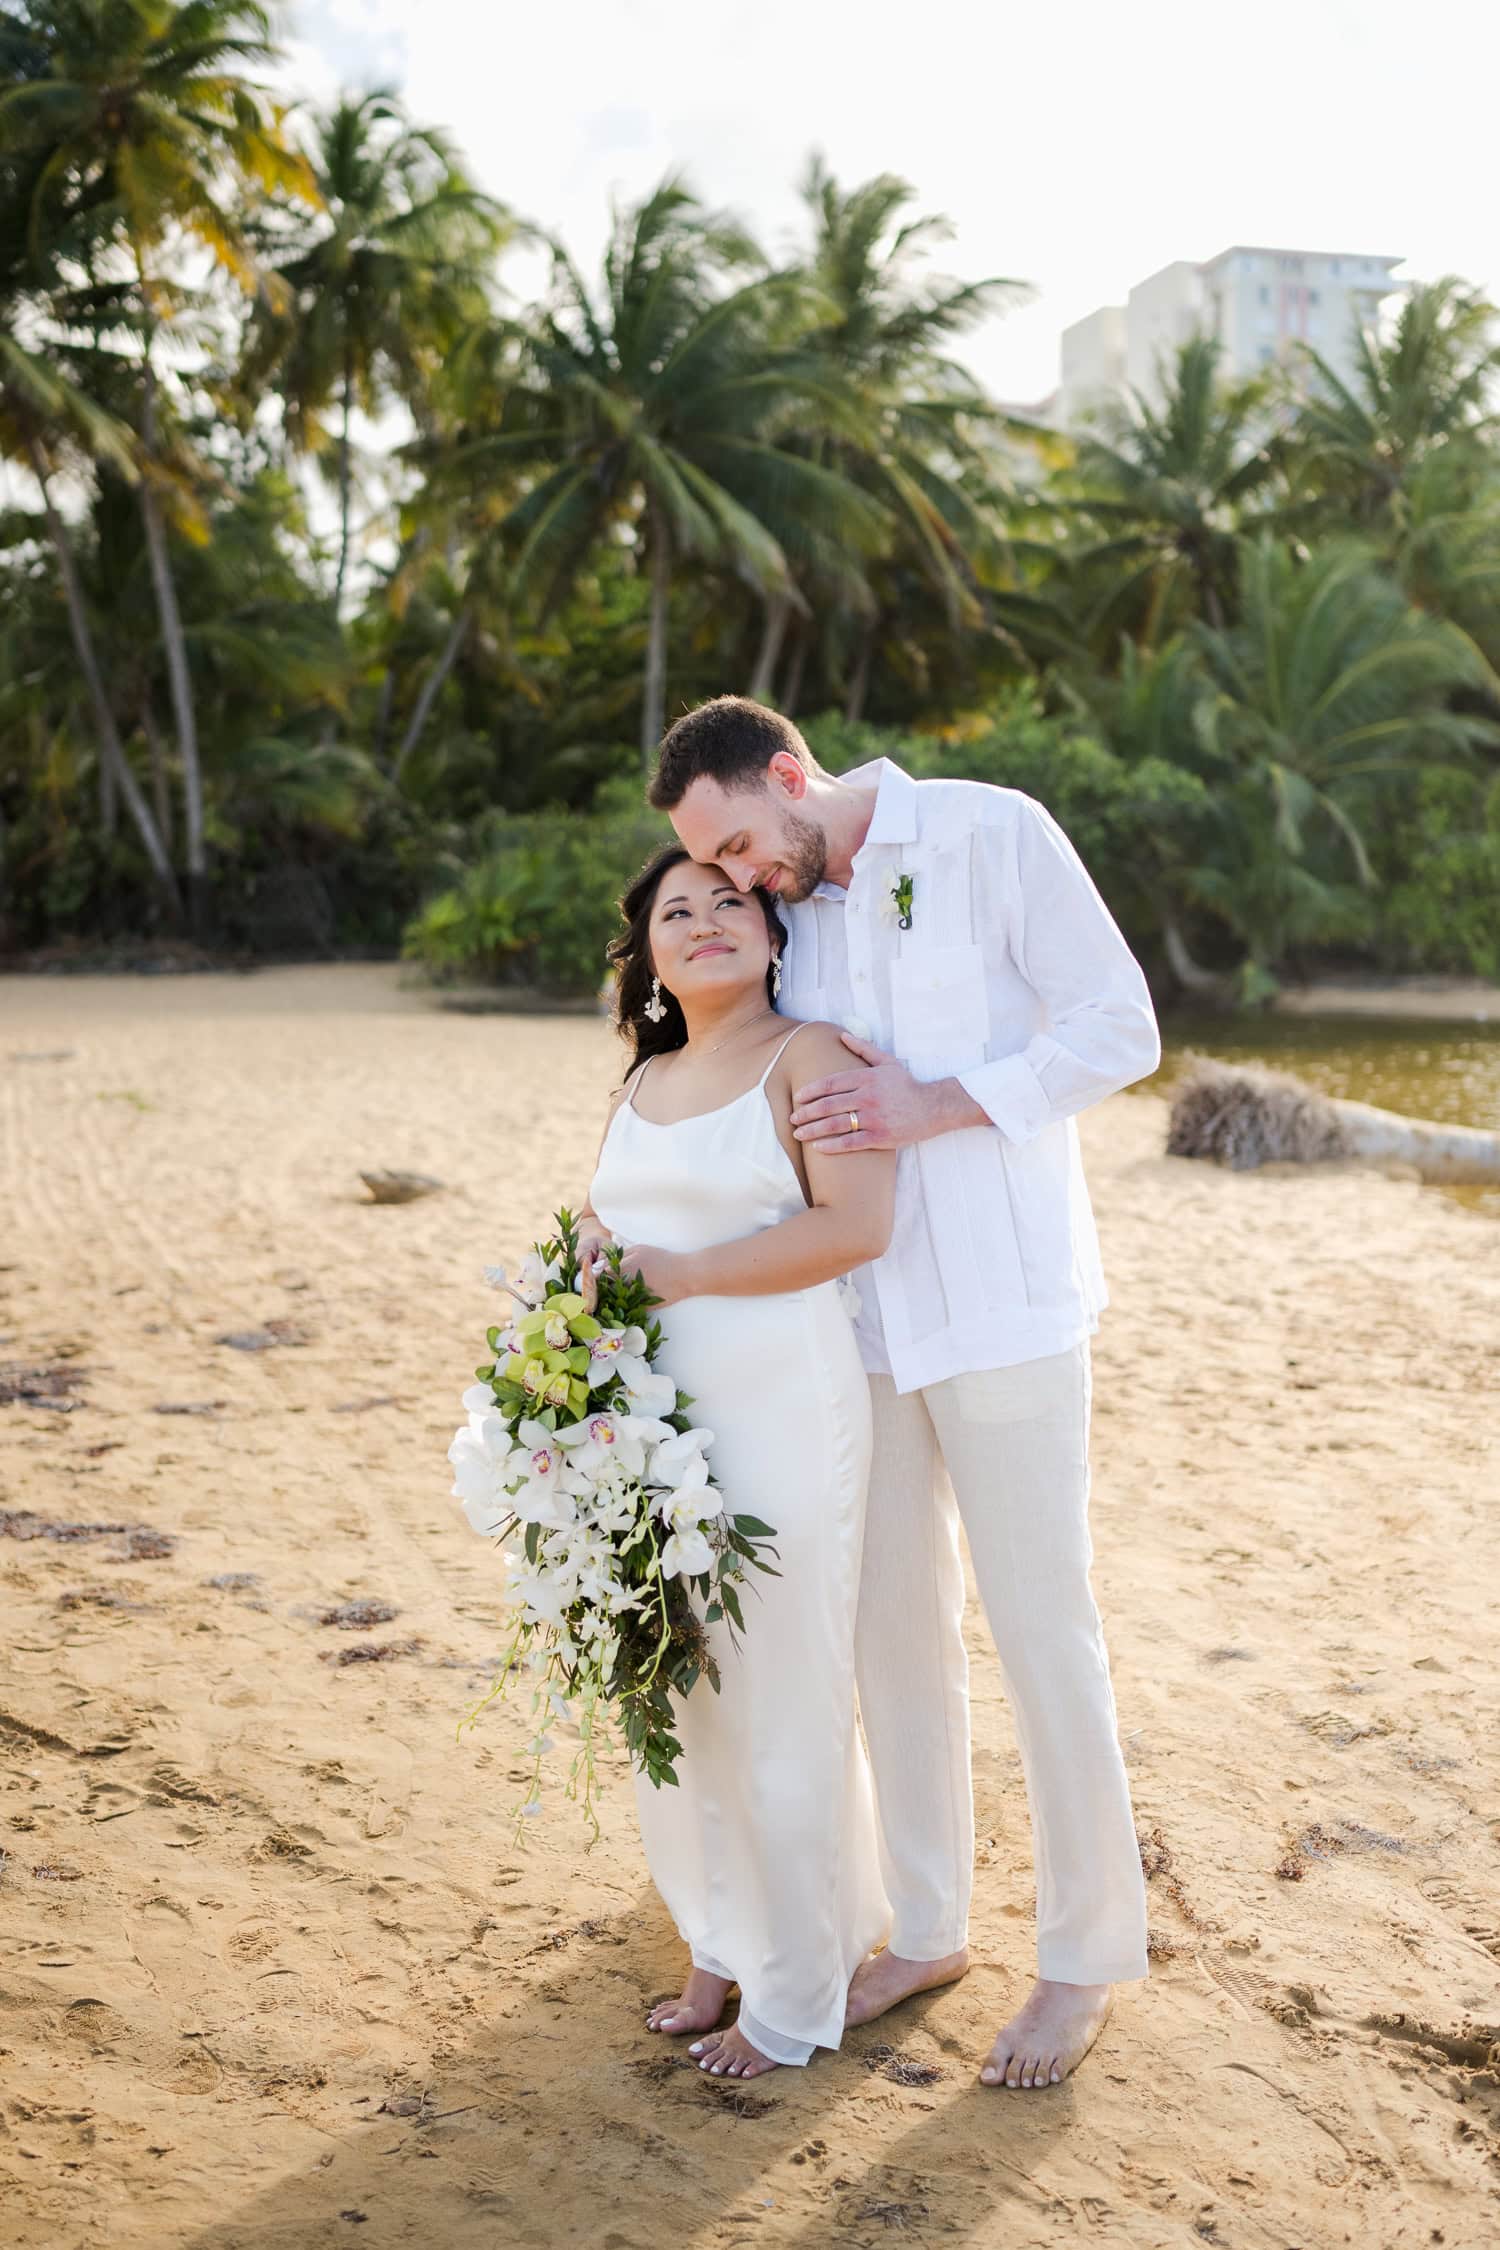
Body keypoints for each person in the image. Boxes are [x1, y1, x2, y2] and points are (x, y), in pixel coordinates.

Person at [650, 695, 1161, 2092]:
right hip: (857, 1324)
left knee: (1044, 1627)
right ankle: (929, 1928)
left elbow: (1124, 1027)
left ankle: (1083, 1960)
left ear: (794, 774)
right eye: (723, 866)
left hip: (1005, 1303)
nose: (748, 880)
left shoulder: (996, 832)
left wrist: (939, 1103)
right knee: (892, 1632)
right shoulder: (791, 906)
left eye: (749, 843)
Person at [575, 843, 899, 2080]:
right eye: (677, 910)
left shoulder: (809, 1059)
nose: (706, 921)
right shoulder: (642, 1080)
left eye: (730, 903)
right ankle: (715, 1936)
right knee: (682, 1683)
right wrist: (577, 1287)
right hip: (657, 1424)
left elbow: (856, 1226)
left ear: (772, 936)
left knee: (782, 1687)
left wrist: (688, 1274)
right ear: (648, 955)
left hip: (781, 1405)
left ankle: (799, 1984)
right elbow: (605, 1221)